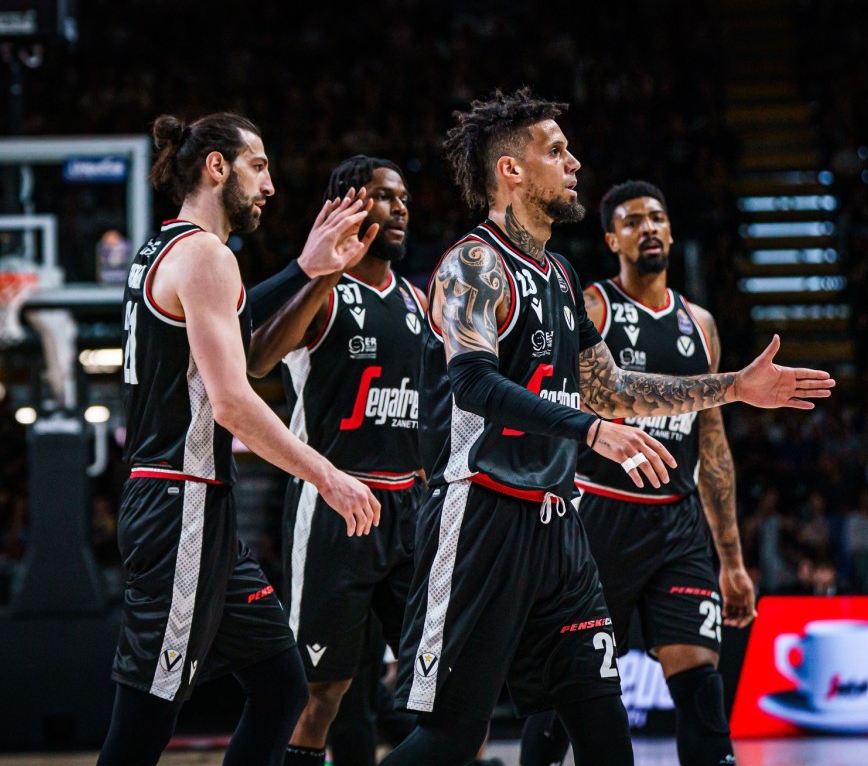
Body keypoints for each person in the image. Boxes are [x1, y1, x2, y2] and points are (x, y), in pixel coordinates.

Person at [383, 87, 833, 766]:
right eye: (556, 151)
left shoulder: (561, 275)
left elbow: (613, 388)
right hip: (480, 516)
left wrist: (734, 387)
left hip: (560, 528)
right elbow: (473, 385)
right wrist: (591, 431)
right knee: (451, 737)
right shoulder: (474, 264)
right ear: (511, 170)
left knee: (604, 733)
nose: (574, 163)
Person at [98, 111, 383, 766]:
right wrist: (328, 476)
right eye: (258, 167)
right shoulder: (207, 256)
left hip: (194, 508)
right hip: (182, 507)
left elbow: (235, 335)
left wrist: (305, 269)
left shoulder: (165, 249)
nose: (270, 186)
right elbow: (231, 400)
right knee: (144, 721)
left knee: (281, 687)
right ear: (216, 167)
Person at [520, 180, 755, 766]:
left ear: (671, 231)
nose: (647, 227)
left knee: (702, 689)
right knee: (569, 693)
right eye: (632, 221)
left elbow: (713, 446)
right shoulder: (594, 307)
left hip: (678, 525)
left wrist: (732, 562)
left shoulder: (700, 324)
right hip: (599, 516)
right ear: (612, 240)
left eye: (656, 217)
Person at [247, 155, 426, 766]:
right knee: (320, 693)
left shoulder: (419, 301)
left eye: (404, 198)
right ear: (349, 205)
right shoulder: (324, 295)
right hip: (332, 507)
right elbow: (258, 360)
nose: (400, 208)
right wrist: (325, 271)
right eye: (384, 196)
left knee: (440, 682)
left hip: (407, 506)